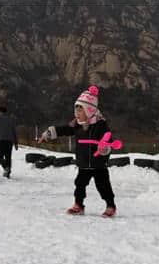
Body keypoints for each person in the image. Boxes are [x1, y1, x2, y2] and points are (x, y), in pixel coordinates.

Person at [38, 85, 117, 217]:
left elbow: (108, 139)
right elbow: (64, 129)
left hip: (99, 163)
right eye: (76, 110)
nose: (77, 113)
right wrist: (49, 133)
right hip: (84, 162)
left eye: (81, 110)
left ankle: (110, 205)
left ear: (90, 110)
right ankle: (78, 205)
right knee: (79, 184)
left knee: (103, 185)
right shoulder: (77, 125)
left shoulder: (100, 124)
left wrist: (105, 148)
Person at [0, 105, 18, 178]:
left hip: (0, 140)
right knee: (8, 156)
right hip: (9, 141)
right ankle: (8, 173)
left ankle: (6, 167)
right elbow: (14, 131)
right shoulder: (11, 120)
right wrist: (16, 143)